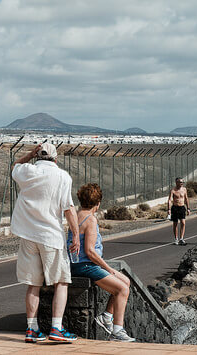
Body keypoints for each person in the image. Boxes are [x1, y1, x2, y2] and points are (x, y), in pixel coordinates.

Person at [11, 143, 80, 343]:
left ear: (37, 157)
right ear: (55, 159)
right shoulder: (63, 177)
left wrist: (29, 155)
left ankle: (32, 329)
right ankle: (56, 328)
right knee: (61, 281)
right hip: (51, 236)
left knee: (33, 284)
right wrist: (75, 235)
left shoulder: (27, 171)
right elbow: (68, 208)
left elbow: (16, 165)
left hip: (28, 235)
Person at [67, 183, 136, 342]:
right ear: (97, 203)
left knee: (125, 280)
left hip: (76, 264)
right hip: (85, 266)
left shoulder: (77, 214)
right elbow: (90, 251)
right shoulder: (90, 219)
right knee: (122, 289)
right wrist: (108, 268)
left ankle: (106, 316)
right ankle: (117, 331)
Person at [167, 178, 190, 245]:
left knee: (183, 223)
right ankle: (176, 238)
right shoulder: (173, 190)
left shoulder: (184, 189)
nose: (181, 183)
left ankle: (181, 238)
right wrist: (169, 209)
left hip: (182, 207)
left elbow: (186, 198)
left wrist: (188, 208)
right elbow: (169, 200)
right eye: (180, 182)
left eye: (182, 182)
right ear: (176, 182)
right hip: (175, 207)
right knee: (175, 224)